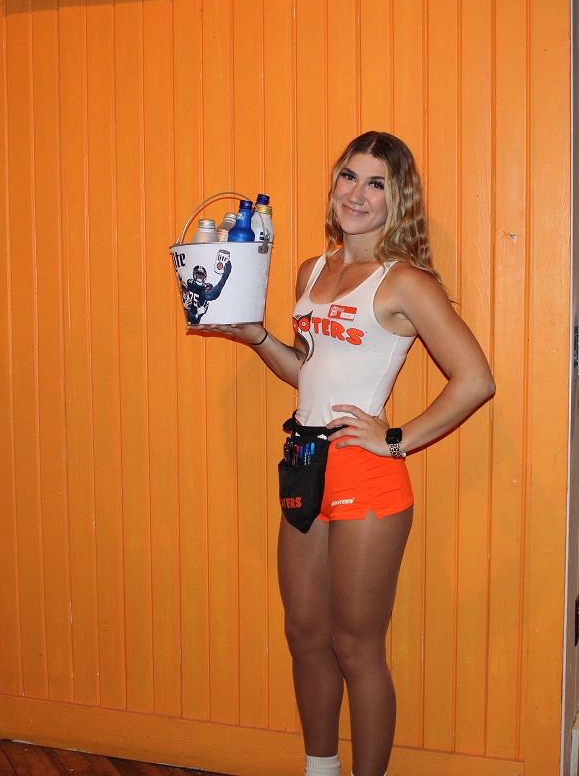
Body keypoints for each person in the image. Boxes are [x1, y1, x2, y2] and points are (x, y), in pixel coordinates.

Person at [198, 131, 494, 776]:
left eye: (376, 183)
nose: (357, 194)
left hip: (366, 473)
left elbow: (476, 379)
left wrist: (396, 438)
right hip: (305, 465)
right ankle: (321, 768)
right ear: (333, 185)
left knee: (356, 646)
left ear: (397, 199)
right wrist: (257, 337)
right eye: (348, 177)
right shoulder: (312, 270)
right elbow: (307, 371)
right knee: (305, 635)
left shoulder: (404, 281)